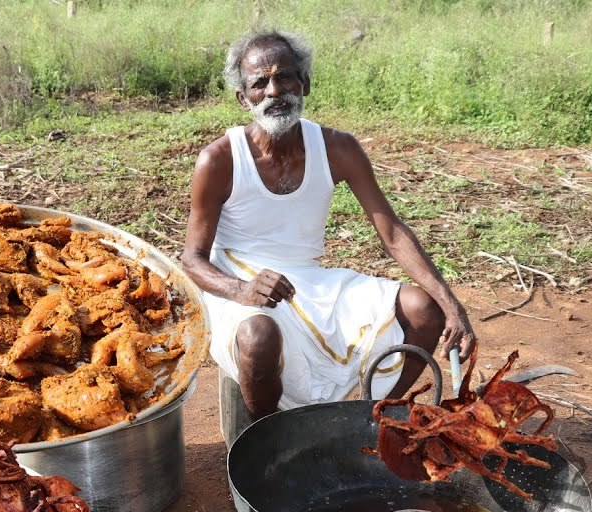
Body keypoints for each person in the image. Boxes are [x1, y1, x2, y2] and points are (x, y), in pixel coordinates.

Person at [180, 30, 476, 421]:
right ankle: (272, 437)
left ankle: (369, 420)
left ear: (304, 83)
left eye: (284, 77)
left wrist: (451, 303)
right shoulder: (219, 159)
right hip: (239, 279)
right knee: (258, 335)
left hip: (309, 281)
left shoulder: (338, 148)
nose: (274, 90)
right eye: (259, 83)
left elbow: (391, 231)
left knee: (424, 311)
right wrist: (242, 289)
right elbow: (191, 260)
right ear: (243, 98)